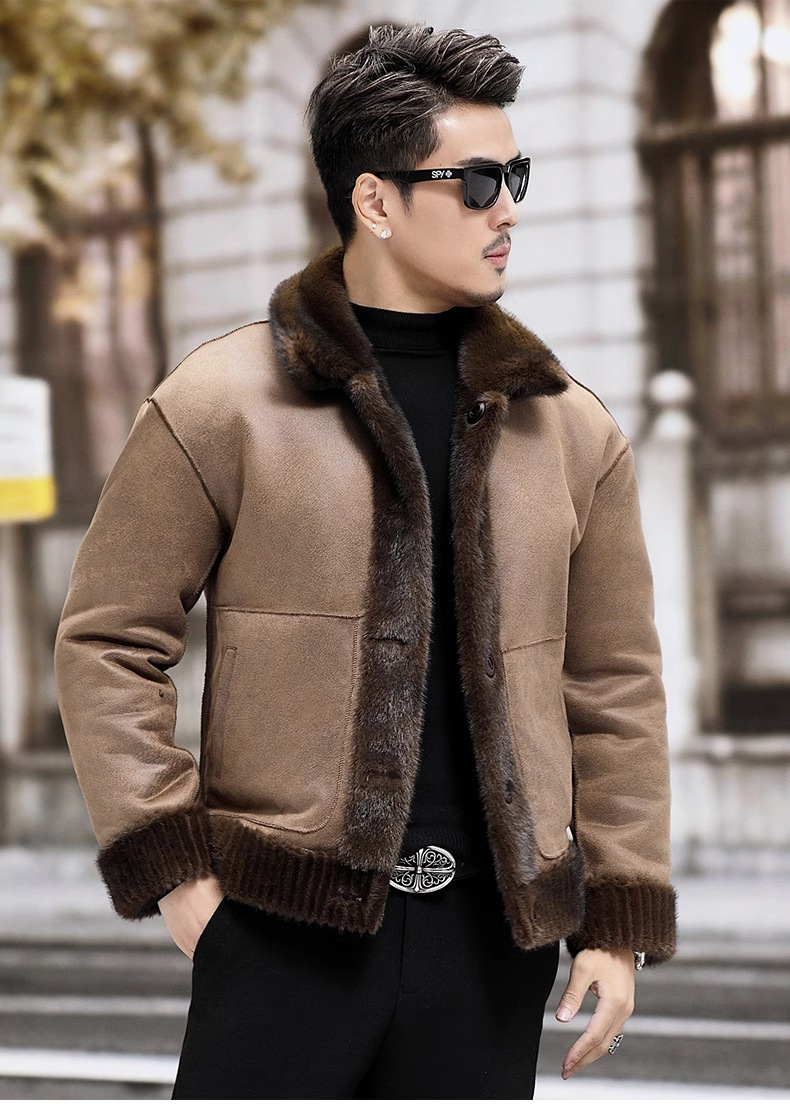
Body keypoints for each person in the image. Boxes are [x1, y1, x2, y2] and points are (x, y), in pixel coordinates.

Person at [54, 23, 677, 1100]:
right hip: (279, 933)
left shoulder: (571, 428)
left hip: (491, 944)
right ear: (375, 201)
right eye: (475, 182)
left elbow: (614, 684)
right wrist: (179, 874)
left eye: (516, 176)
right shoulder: (220, 403)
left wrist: (616, 921)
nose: (507, 209)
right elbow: (108, 641)